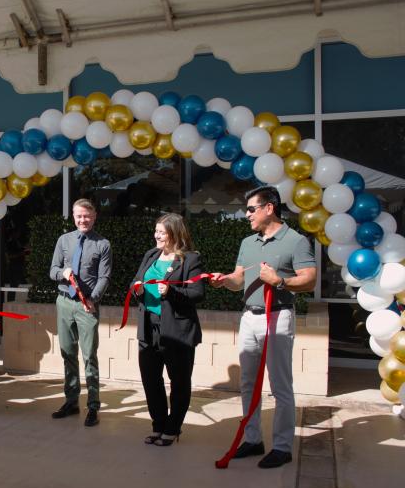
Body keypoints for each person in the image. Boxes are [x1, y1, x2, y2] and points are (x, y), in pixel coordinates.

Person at [210, 186, 316, 469]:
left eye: (251, 209)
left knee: (280, 385)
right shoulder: (248, 242)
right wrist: (225, 280)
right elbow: (239, 280)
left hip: (278, 317)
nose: (246, 214)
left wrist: (280, 281)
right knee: (248, 382)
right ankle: (253, 439)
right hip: (249, 317)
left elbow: (309, 280)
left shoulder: (295, 241)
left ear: (269, 208)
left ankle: (282, 447)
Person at [131, 213, 204, 446]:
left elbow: (197, 294)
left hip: (177, 331)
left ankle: (173, 428)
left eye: (161, 232)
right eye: (156, 231)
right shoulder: (151, 255)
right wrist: (137, 290)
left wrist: (170, 292)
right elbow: (134, 283)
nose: (156, 235)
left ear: (174, 233)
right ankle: (158, 425)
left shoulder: (190, 259)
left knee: (179, 382)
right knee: (151, 380)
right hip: (148, 327)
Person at [49, 198, 112, 427]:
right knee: (67, 353)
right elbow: (52, 270)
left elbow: (104, 277)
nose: (83, 220)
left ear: (94, 216)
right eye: (79, 216)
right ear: (74, 217)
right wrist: (62, 274)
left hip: (88, 307)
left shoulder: (102, 244)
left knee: (89, 357)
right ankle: (71, 401)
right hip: (64, 302)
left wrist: (93, 299)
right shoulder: (64, 240)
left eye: (87, 215)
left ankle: (93, 406)